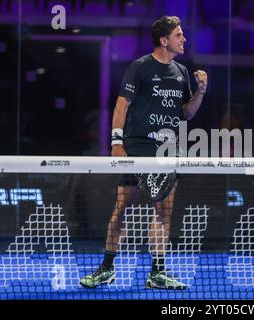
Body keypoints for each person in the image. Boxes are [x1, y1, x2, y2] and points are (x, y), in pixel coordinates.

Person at [80, 16, 207, 290]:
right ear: (164, 40)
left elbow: (186, 113)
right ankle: (106, 268)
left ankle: (157, 273)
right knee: (122, 207)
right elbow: (121, 106)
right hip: (136, 147)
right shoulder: (139, 68)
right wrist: (116, 143)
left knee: (164, 211)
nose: (184, 39)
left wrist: (201, 91)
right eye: (179, 35)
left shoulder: (182, 72)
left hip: (167, 151)